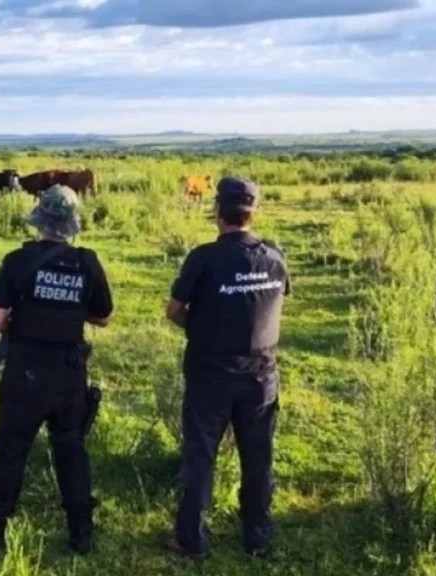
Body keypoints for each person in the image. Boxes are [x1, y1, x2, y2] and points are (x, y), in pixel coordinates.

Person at [0, 184, 113, 556]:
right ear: (72, 224)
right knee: (71, 450)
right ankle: (81, 535)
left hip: (26, 372)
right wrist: (68, 310)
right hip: (69, 373)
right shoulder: (87, 262)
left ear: (40, 221)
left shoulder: (18, 261)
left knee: (11, 450)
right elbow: (104, 316)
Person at [163, 177, 291, 559]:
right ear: (254, 212)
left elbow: (174, 310)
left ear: (218, 212)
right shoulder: (274, 256)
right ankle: (258, 537)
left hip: (210, 372)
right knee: (258, 455)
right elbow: (279, 298)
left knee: (200, 454)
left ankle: (191, 539)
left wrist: (204, 330)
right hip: (261, 374)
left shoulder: (203, 258)